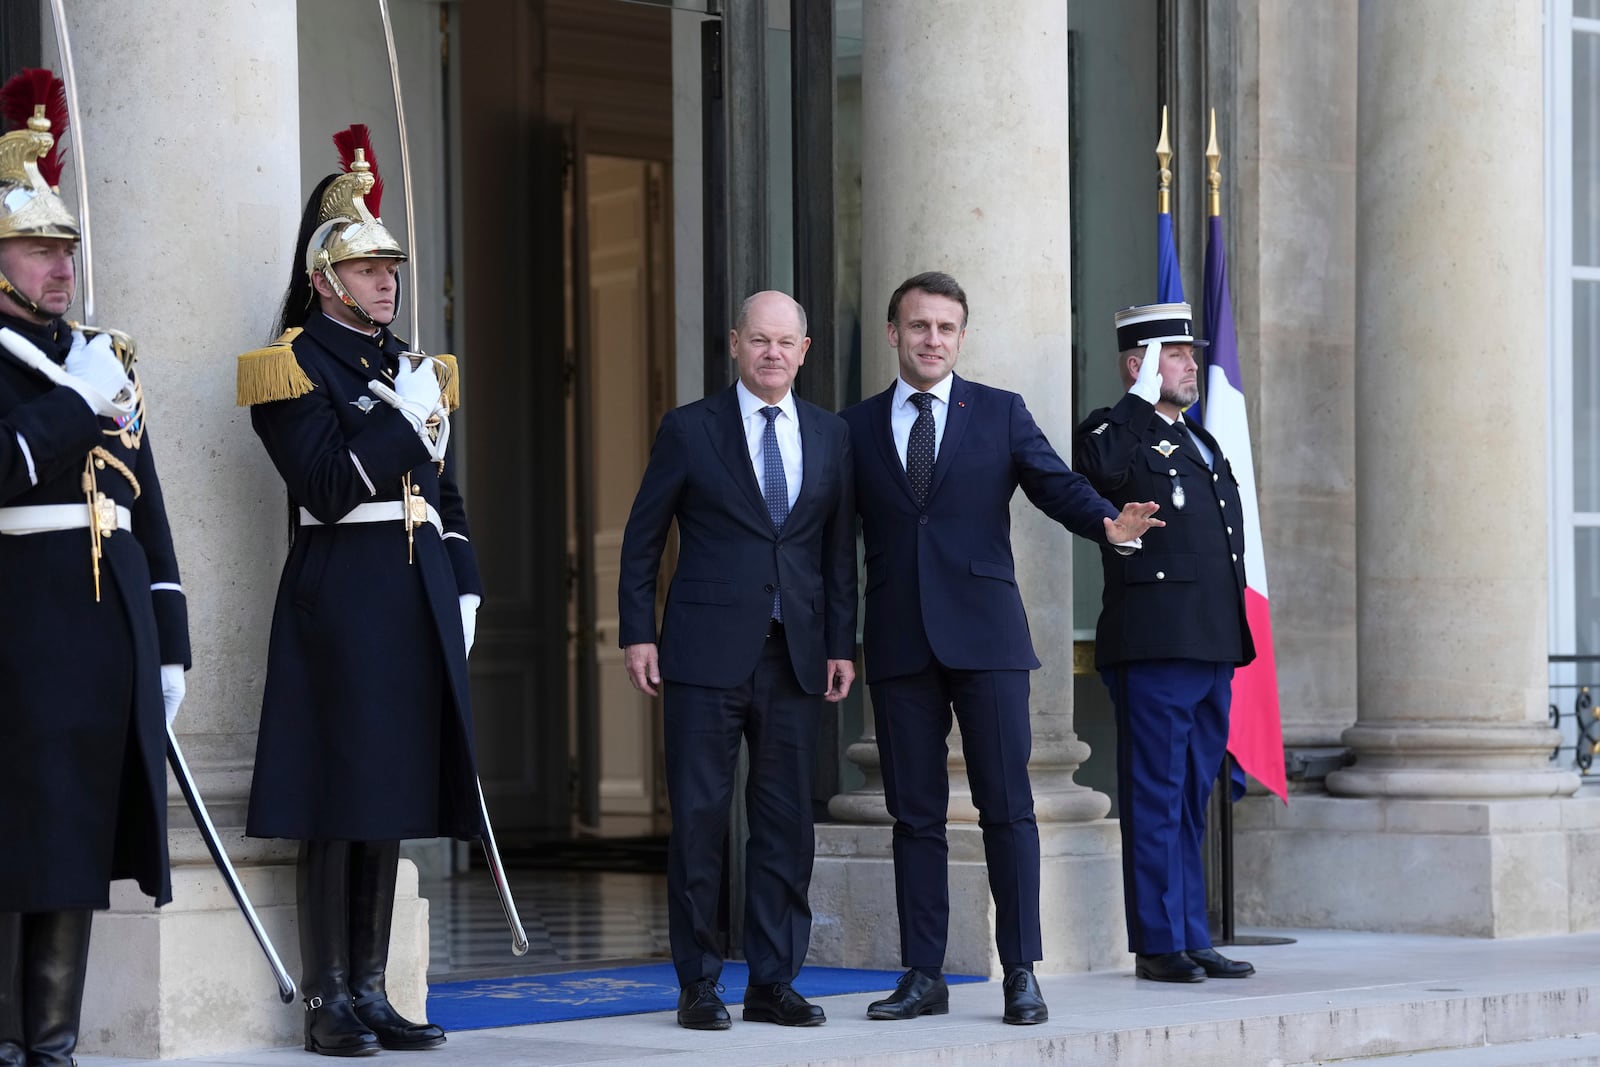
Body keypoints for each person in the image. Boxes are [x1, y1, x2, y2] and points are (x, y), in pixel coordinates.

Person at [841, 271, 1162, 1025]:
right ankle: (924, 972)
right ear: (894, 333)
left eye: (946, 328)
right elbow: (833, 544)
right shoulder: (851, 427)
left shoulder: (999, 412)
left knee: (1007, 807)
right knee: (913, 814)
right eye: (919, 326)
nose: (932, 340)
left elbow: (1054, 483)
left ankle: (1021, 971)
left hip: (986, 635)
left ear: (961, 336)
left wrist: (1107, 523)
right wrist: (835, 639)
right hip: (897, 639)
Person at [239, 125, 483, 1056]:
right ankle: (328, 998)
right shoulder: (291, 365)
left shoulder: (411, 364)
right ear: (326, 277)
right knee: (338, 801)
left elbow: (448, 493)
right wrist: (404, 421)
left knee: (386, 797)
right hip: (339, 592)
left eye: (391, 267)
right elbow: (329, 487)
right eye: (367, 267)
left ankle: (375, 988)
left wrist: (464, 577)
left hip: (413, 587)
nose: (387, 281)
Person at [0, 69, 190, 1065]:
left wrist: (171, 636)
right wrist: (74, 400)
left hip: (102, 621)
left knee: (75, 835)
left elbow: (144, 502)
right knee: (20, 832)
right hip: (20, 616)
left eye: (66, 248)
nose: (61, 266)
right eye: (39, 248)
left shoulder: (101, 355)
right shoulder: (50, 368)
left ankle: (55, 1039)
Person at [618, 290, 856, 1031]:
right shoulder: (690, 430)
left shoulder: (830, 434)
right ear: (734, 343)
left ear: (805, 350)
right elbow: (643, 538)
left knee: (786, 825)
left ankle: (774, 980)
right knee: (699, 818)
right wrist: (637, 632)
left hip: (797, 657)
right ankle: (697, 982)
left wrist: (842, 643)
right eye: (760, 340)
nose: (773, 353)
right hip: (702, 655)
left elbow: (835, 551)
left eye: (787, 342)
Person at [1072, 301, 1256, 984]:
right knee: (1155, 792)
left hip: (1210, 645)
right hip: (1154, 644)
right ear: (1138, 365)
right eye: (1173, 354)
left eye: (1187, 353)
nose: (1189, 364)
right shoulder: (1116, 430)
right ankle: (1156, 940)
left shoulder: (1203, 441)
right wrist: (1137, 400)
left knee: (1189, 797)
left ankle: (1190, 931)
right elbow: (1096, 470)